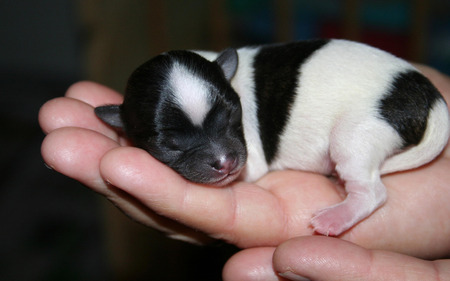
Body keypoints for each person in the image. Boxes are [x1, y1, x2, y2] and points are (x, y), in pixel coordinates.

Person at [39, 64, 450, 280]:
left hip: (394, 100)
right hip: (404, 98)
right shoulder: (217, 86)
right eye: (175, 142)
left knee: (355, 135)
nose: (222, 159)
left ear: (226, 76)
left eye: (226, 121)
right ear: (122, 125)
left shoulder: (227, 86)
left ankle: (366, 192)